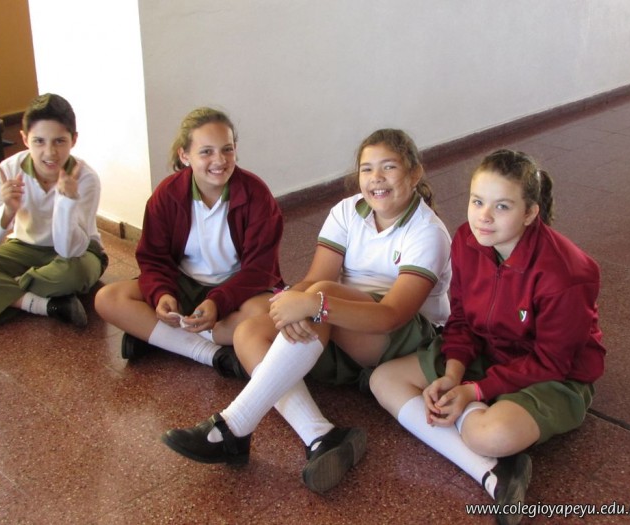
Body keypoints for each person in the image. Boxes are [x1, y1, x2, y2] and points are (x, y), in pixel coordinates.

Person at [161, 129, 452, 494]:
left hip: (400, 339)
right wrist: (287, 306)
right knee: (250, 331)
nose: (376, 178)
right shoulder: (346, 211)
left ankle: (234, 424)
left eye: (388, 167)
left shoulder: (427, 231)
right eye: (366, 169)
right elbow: (315, 279)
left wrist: (314, 304)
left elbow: (392, 314)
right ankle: (321, 436)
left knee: (320, 295)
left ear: (414, 173)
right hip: (340, 328)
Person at [370, 149, 606, 525]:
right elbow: (461, 320)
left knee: (490, 436)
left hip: (552, 375)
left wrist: (473, 391)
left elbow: (552, 361)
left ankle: (487, 451)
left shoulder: (567, 274)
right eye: (477, 201)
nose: (484, 216)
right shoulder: (467, 240)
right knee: (384, 379)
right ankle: (491, 467)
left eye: (502, 206)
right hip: (487, 350)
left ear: (530, 213)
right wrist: (453, 374)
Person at [94, 107, 284, 377]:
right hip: (183, 285)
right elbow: (153, 258)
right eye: (206, 152)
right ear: (185, 155)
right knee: (108, 299)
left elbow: (261, 270)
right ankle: (213, 353)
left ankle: (161, 337)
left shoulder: (257, 195)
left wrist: (218, 302)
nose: (219, 160)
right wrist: (162, 294)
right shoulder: (167, 195)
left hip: (237, 289)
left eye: (227, 149)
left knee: (269, 314)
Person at [0, 93, 107, 327]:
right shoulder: (8, 170)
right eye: (39, 141)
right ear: (25, 139)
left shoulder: (85, 178)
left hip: (78, 253)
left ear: (73, 139)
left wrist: (66, 201)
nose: (50, 153)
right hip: (24, 247)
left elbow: (68, 249)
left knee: (72, 275)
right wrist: (7, 211)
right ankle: (43, 305)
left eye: (59, 141)